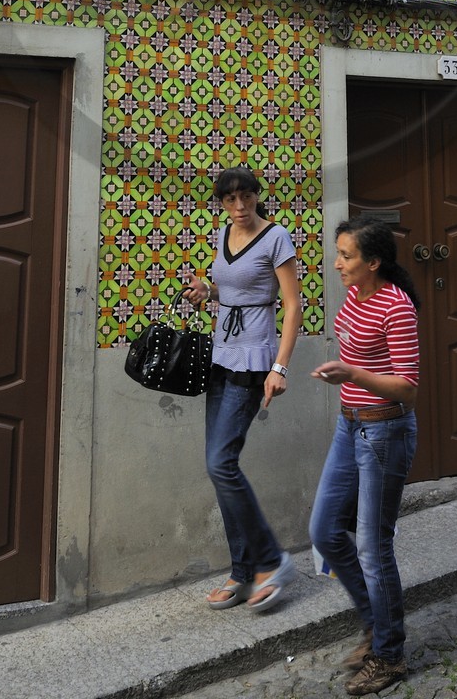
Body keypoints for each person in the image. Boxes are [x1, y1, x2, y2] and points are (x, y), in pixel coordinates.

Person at [310, 215, 421, 697]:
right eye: (338, 253)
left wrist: (352, 374)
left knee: (373, 549)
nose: (337, 264)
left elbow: (408, 388)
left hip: (385, 431)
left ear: (373, 262)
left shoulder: (397, 307)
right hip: (350, 425)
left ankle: (390, 654)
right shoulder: (356, 294)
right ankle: (376, 625)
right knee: (325, 530)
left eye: (346, 256)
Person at [182, 167, 301, 611]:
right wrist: (206, 292)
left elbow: (292, 306)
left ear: (256, 196)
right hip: (221, 355)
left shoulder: (276, 238)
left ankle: (272, 561)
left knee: (221, 463)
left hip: (254, 362)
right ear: (221, 203)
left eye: (245, 198)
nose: (239, 207)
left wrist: (280, 367)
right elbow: (231, 292)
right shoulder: (222, 236)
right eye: (229, 200)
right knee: (219, 466)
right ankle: (243, 570)